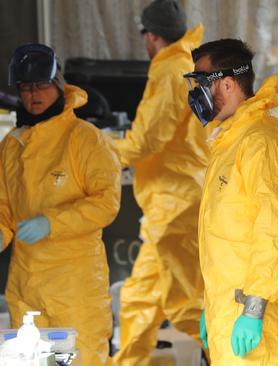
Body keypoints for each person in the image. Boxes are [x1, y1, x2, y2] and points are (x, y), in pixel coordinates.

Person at [0, 43, 121, 366]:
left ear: (58, 85)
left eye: (41, 85)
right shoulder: (11, 146)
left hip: (76, 286)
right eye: (26, 87)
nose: (34, 94)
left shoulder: (86, 139)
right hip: (26, 283)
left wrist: (52, 223)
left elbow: (106, 202)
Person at [184, 39, 278, 365]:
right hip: (230, 308)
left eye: (201, 82)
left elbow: (274, 229)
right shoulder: (230, 142)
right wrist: (212, 306)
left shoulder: (262, 142)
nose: (196, 93)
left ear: (227, 83)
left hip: (257, 314)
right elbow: (228, 237)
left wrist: (254, 307)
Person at [113, 1, 209, 365]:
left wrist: (104, 152)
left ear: (152, 36)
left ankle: (231, 357)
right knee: (144, 295)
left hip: (176, 200)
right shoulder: (189, 65)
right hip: (176, 198)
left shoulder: (171, 70)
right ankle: (126, 361)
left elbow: (147, 139)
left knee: (184, 301)